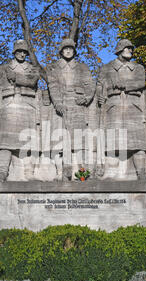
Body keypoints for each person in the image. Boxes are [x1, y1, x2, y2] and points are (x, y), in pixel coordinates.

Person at [0, 40, 41, 182]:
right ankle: (3, 172)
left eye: (24, 52)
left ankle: (29, 174)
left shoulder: (32, 69)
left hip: (27, 105)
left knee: (27, 142)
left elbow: (33, 81)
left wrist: (16, 77)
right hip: (8, 105)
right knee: (5, 141)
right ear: (14, 52)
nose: (22, 54)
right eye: (19, 51)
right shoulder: (3, 68)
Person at [96, 39, 146, 180]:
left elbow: (141, 82)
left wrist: (124, 84)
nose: (130, 51)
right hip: (113, 106)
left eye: (131, 49)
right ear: (119, 49)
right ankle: (111, 172)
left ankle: (141, 173)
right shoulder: (106, 68)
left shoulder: (139, 68)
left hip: (133, 106)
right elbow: (100, 85)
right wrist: (100, 96)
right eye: (127, 48)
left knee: (137, 141)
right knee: (113, 140)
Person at [46, 38, 96, 181]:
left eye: (71, 49)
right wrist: (57, 103)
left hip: (77, 106)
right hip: (60, 107)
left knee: (79, 141)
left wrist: (86, 97)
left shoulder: (82, 67)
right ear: (61, 51)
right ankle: (63, 172)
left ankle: (82, 173)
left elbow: (90, 84)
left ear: (74, 51)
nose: (68, 51)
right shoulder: (53, 68)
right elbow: (53, 86)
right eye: (65, 49)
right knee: (61, 141)